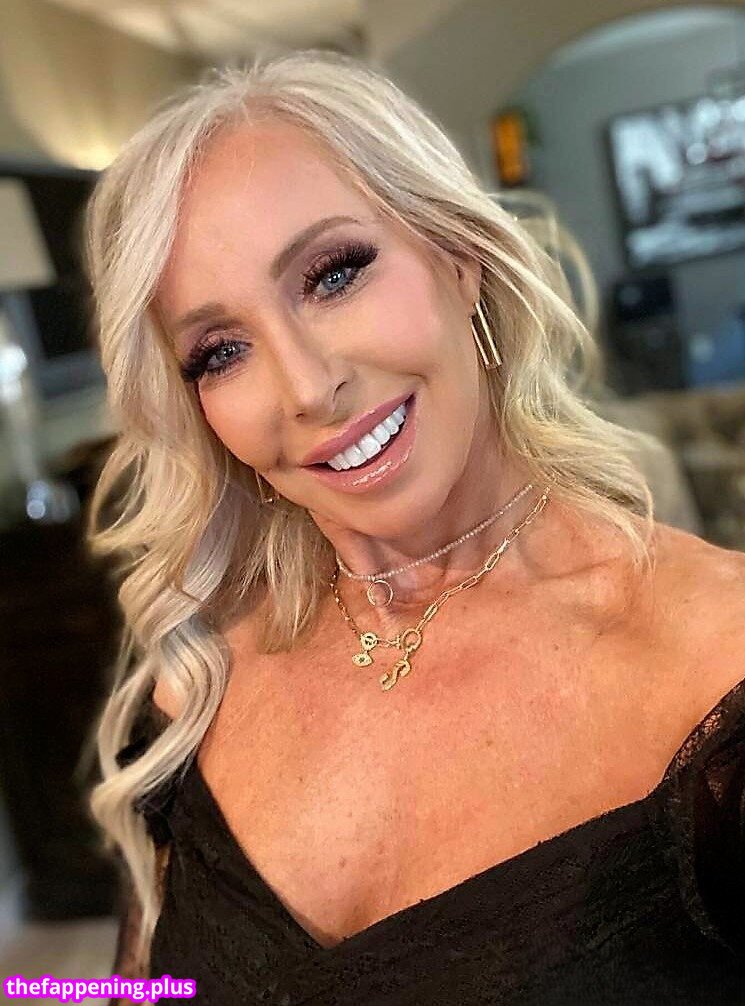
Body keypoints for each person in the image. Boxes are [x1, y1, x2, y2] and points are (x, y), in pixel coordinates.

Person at [86, 50, 745, 1005]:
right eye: (220, 351)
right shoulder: (194, 687)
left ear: (458, 258)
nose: (306, 387)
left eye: (334, 274)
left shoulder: (718, 662)